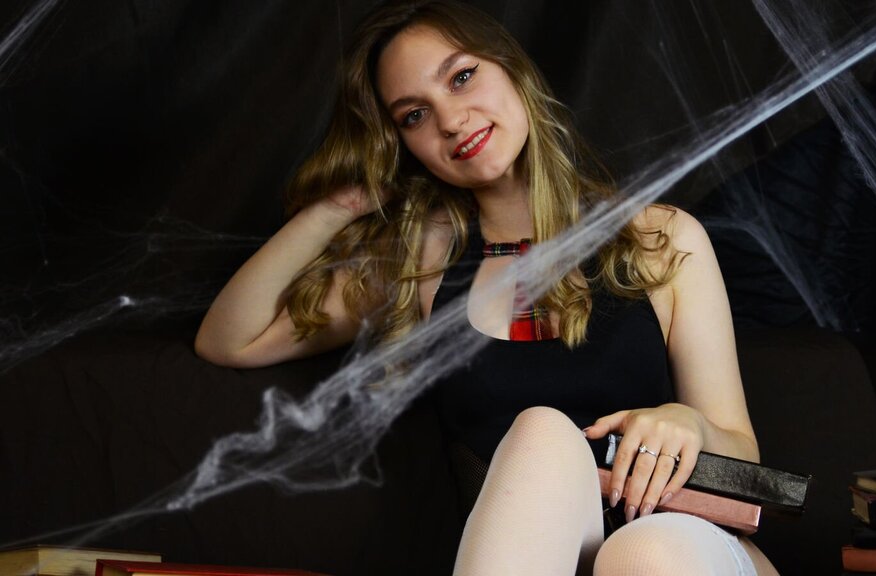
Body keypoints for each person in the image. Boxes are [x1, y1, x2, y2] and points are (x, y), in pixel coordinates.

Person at [195, 1, 778, 574]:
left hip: (688, 548)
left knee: (642, 556)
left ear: (512, 68)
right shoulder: (421, 264)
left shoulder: (657, 238)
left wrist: (690, 423)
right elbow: (230, 340)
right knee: (543, 433)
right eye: (413, 116)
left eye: (462, 77)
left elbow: (741, 452)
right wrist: (342, 203)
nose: (450, 120)